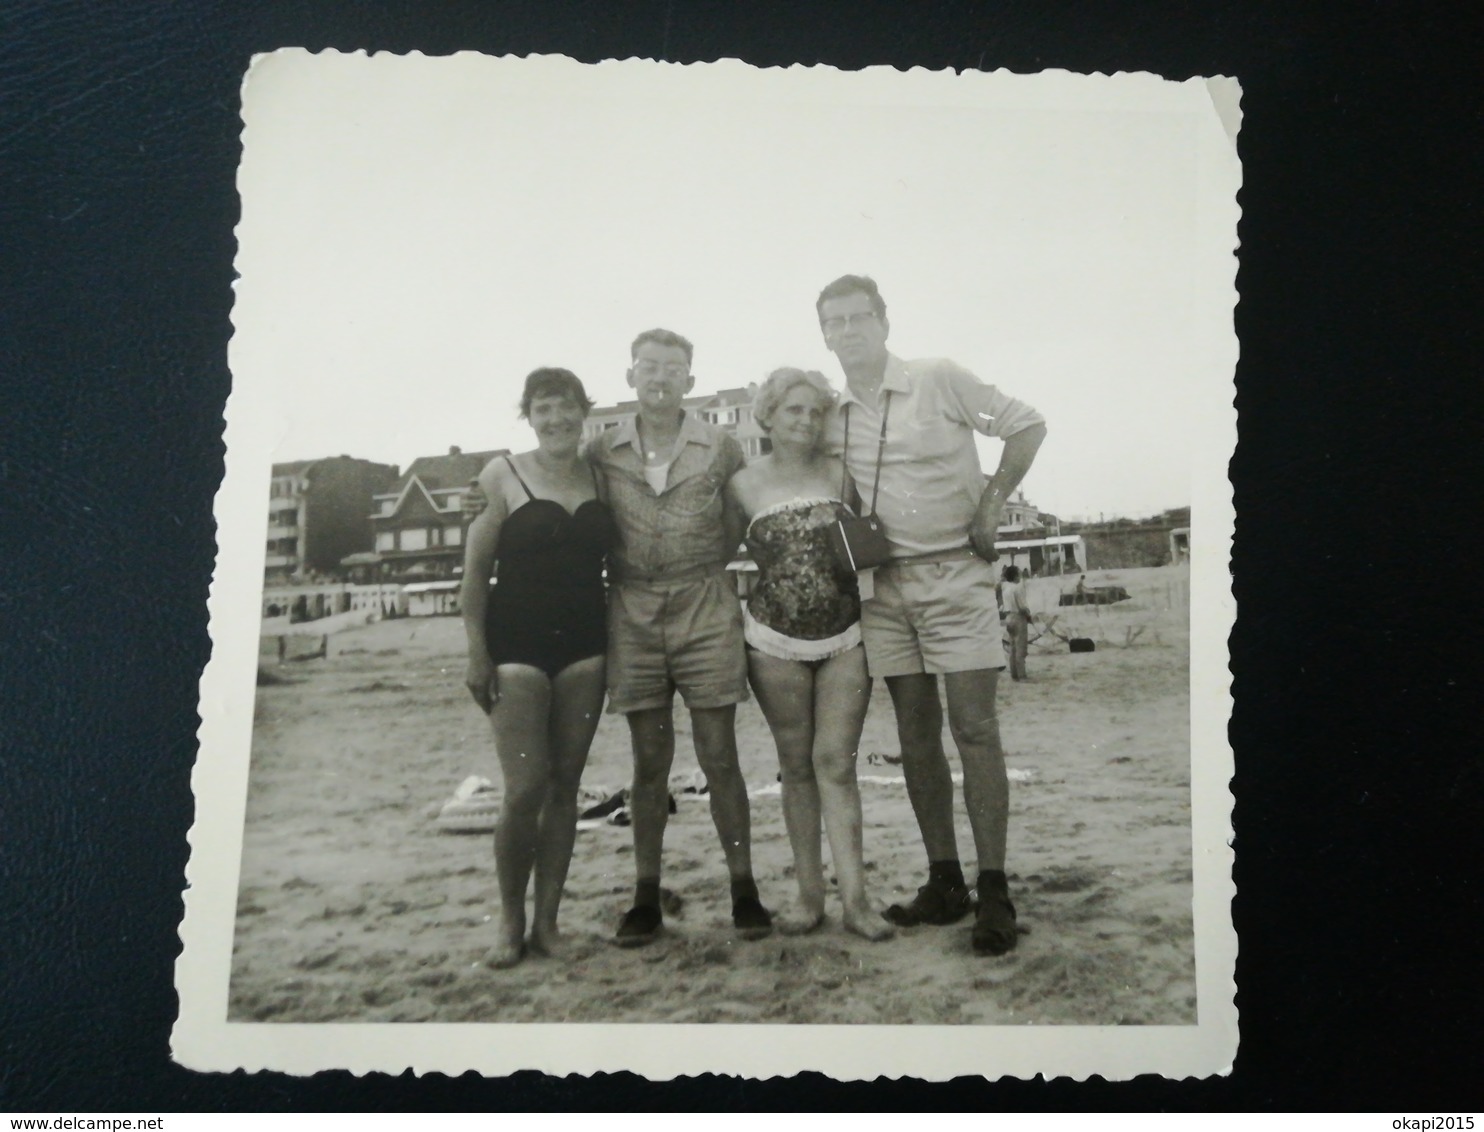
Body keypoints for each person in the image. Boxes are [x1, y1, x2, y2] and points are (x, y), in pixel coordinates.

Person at [816, 274, 1047, 956]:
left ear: (885, 323)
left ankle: (994, 889)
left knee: (974, 729)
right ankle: (945, 881)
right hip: (884, 590)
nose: (850, 330)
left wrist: (991, 502)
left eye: (861, 317)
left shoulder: (938, 377)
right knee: (916, 737)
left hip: (955, 574)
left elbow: (1028, 424)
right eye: (837, 321)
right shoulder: (834, 415)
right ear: (824, 334)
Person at [586, 329, 772, 947]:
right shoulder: (600, 450)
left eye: (673, 368)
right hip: (631, 610)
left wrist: (702, 565)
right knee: (648, 764)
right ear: (631, 375)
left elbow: (742, 515)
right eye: (649, 367)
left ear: (690, 381)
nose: (660, 377)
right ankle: (645, 898)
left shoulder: (720, 446)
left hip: (704, 605)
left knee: (720, 756)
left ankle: (744, 890)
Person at [726, 368, 894, 942]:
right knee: (796, 767)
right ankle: (807, 897)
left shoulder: (842, 474)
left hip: (847, 637)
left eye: (814, 411)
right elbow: (714, 557)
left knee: (837, 765)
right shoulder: (741, 485)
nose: (805, 420)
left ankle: (858, 902)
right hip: (773, 643)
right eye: (793, 410)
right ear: (768, 415)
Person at [460, 368, 617, 968]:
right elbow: (474, 574)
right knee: (524, 789)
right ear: (529, 414)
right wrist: (477, 651)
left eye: (568, 407)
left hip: (586, 646)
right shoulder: (502, 473)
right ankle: (509, 920)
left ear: (585, 411)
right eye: (545, 408)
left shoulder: (600, 474)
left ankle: (549, 922)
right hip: (516, 647)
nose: (557, 419)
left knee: (565, 790)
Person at [1001, 565, 1032, 681]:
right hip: (1018, 617)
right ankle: (1022, 675)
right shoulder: (1017, 588)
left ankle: (1014, 674)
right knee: (1021, 647)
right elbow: (1022, 606)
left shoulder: (1006, 589)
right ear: (1015, 576)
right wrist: (1029, 616)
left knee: (1012, 647)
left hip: (1008, 617)